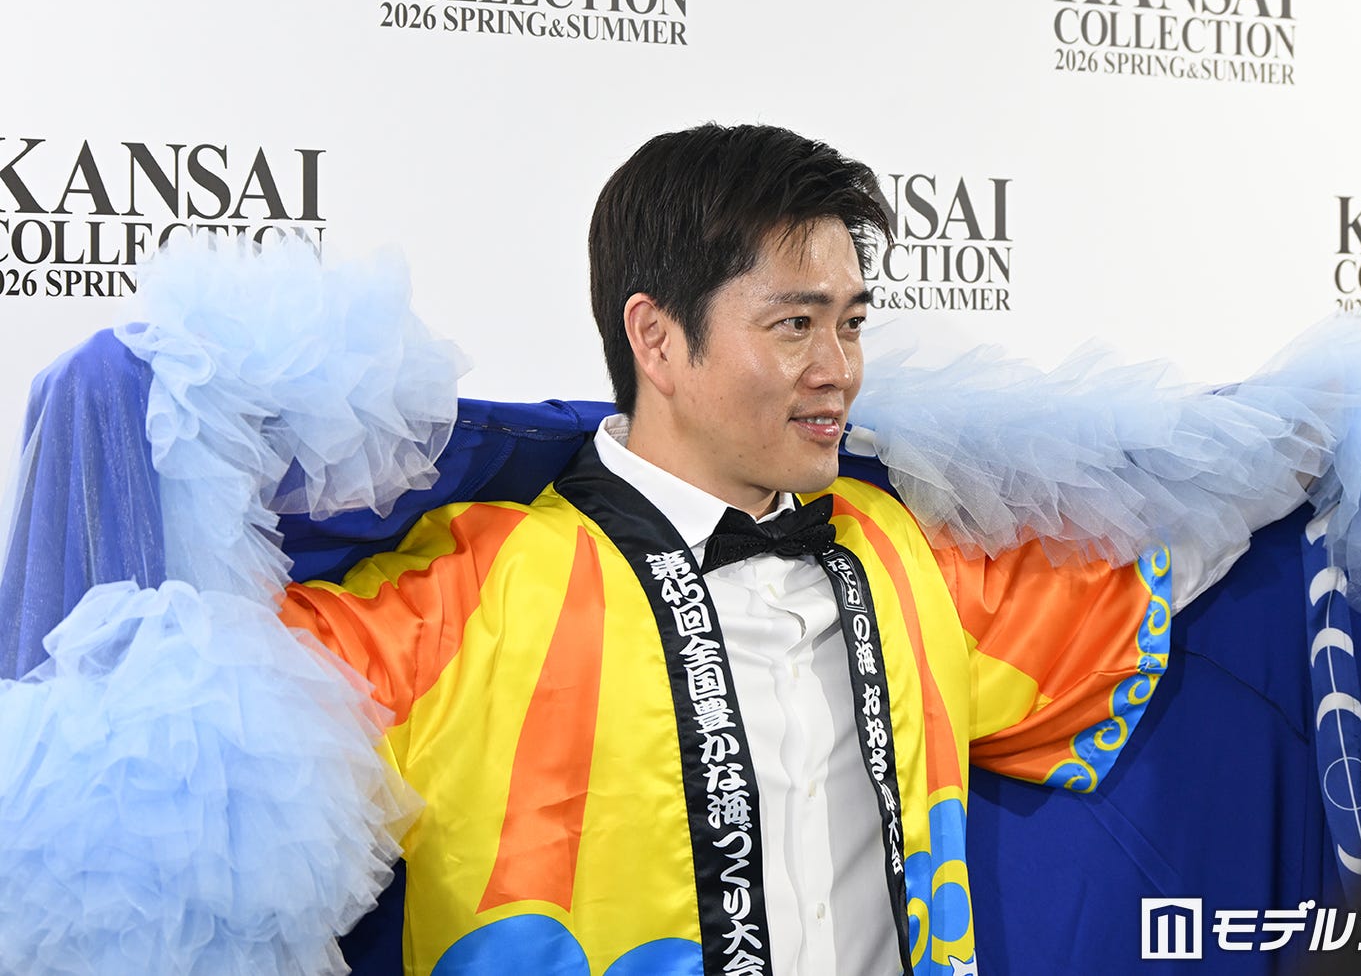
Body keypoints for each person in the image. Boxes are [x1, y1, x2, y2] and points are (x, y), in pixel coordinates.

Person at [278, 124, 1175, 976]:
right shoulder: (468, 596)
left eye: (851, 323)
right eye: (796, 325)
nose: (839, 370)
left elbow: (1151, 566)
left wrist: (1262, 446)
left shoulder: (898, 544)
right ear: (657, 338)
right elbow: (219, 760)